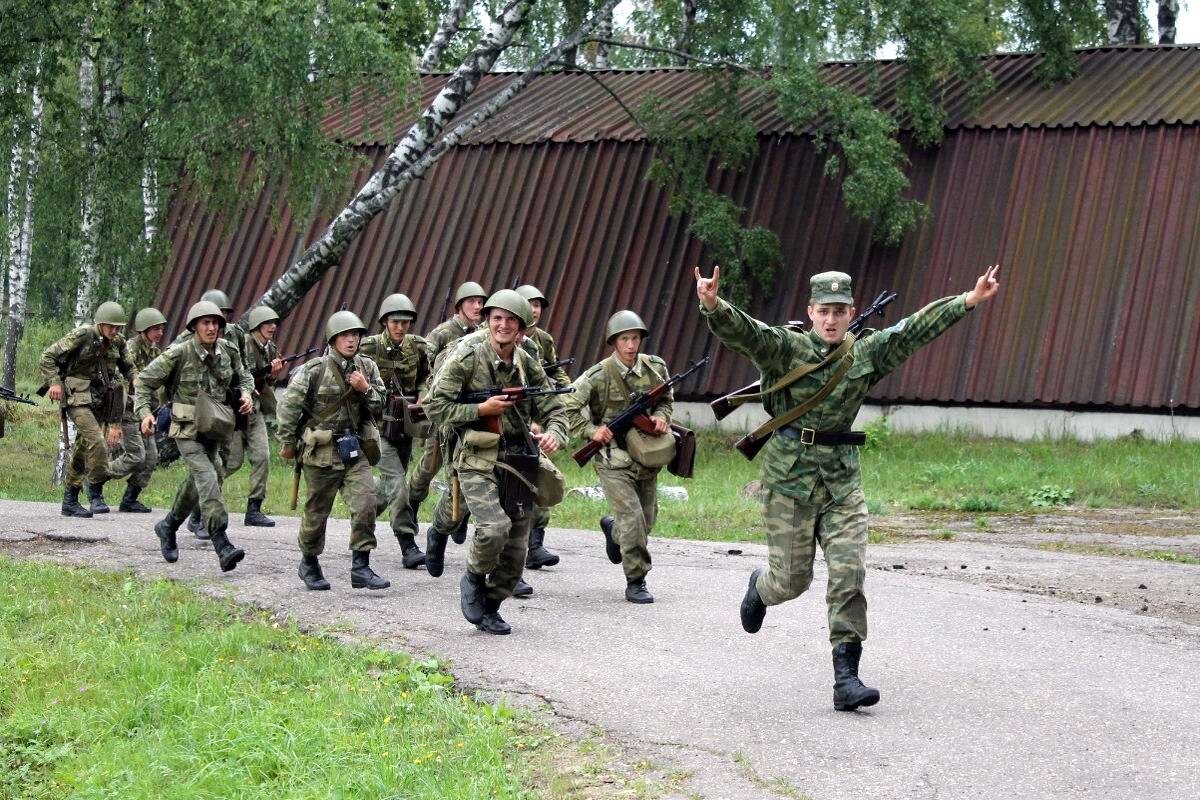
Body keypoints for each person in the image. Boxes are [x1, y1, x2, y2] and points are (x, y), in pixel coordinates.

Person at [696, 264, 1001, 711]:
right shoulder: (787, 348)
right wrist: (712, 304)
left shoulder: (865, 354)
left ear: (852, 311)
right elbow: (748, 333)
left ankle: (846, 678)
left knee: (848, 574)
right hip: (790, 482)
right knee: (792, 579)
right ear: (811, 312)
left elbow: (910, 332)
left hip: (841, 482)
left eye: (840, 310)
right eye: (825, 311)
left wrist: (966, 301)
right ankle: (761, 588)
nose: (832, 319)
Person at [424, 290, 570, 634]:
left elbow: (553, 407)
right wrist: (480, 410)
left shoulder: (526, 361)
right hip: (476, 454)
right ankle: (473, 578)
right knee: (493, 528)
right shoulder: (467, 355)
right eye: (496, 319)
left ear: (521, 328)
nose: (503, 326)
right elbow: (434, 407)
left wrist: (555, 433)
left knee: (516, 550)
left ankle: (491, 605)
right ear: (488, 321)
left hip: (518, 457)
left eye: (510, 320)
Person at [135, 300, 254, 572]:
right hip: (186, 427)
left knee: (204, 479)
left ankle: (168, 526)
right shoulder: (179, 353)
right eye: (206, 323)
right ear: (194, 327)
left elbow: (244, 375)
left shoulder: (229, 350)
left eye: (215, 323)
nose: (211, 328)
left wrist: (246, 394)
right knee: (207, 475)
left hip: (215, 426)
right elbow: (143, 381)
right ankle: (221, 542)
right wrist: (145, 412)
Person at [564, 310, 674, 604]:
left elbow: (665, 400)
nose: (630, 345)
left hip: (646, 455)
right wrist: (591, 431)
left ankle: (614, 531)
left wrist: (662, 417)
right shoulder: (598, 375)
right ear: (614, 341)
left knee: (646, 521)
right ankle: (636, 579)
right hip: (612, 458)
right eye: (624, 339)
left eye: (635, 338)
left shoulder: (654, 368)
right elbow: (569, 407)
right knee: (633, 519)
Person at [276, 310, 389, 591]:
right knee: (317, 511)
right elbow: (288, 406)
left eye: (355, 335)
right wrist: (288, 443)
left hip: (354, 448)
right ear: (333, 339)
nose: (351, 341)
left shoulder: (367, 367)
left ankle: (360, 567)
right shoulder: (315, 369)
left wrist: (365, 390)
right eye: (345, 336)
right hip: (321, 450)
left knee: (366, 503)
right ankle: (309, 562)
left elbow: (382, 404)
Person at [403, 281, 488, 547]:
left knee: (471, 466)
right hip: (444, 409)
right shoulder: (443, 333)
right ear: (460, 305)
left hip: (472, 413)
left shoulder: (486, 333)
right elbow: (421, 363)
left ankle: (459, 517)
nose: (478, 306)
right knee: (431, 465)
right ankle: (412, 504)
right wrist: (425, 390)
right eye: (472, 301)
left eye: (480, 301)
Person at [40, 301, 133, 517]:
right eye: (111, 326)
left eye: (118, 327)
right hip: (77, 396)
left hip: (102, 398)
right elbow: (48, 356)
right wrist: (54, 382)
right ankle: (95, 490)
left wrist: (137, 382)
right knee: (97, 442)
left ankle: (70, 499)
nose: (115, 330)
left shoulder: (118, 342)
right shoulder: (83, 335)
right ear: (100, 323)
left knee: (83, 447)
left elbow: (129, 368)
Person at [359, 293, 431, 569]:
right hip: (378, 426)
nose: (400, 327)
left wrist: (424, 392)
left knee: (388, 488)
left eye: (405, 322)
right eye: (395, 322)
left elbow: (430, 374)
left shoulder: (418, 347)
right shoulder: (370, 347)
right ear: (385, 322)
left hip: (405, 425)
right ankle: (407, 543)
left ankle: (363, 517)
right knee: (399, 484)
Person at [515, 283, 569, 571]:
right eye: (530, 304)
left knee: (541, 478)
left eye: (538, 305)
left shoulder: (541, 341)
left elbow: (551, 371)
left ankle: (534, 545)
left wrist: (565, 387)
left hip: (534, 419)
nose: (535, 309)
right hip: (506, 421)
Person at [223, 305, 286, 527]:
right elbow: (235, 374)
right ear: (256, 325)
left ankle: (254, 509)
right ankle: (200, 505)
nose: (272, 327)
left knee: (262, 457)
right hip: (235, 409)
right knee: (232, 461)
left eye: (274, 323)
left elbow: (267, 383)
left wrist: (273, 375)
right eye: (267, 323)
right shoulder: (243, 344)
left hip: (255, 410)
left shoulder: (271, 349)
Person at [106, 307, 167, 512]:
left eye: (161, 329)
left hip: (145, 412)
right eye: (155, 329)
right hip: (126, 410)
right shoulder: (130, 348)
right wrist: (115, 419)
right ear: (144, 329)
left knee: (150, 458)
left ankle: (129, 500)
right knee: (136, 455)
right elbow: (120, 382)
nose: (160, 333)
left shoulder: (155, 351)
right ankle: (95, 476)